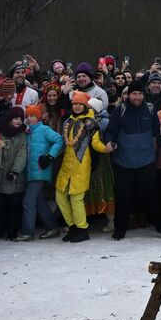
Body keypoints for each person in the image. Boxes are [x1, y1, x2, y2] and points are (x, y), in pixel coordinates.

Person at [104, 81, 161, 241]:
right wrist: (109, 141)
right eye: (134, 93)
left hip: (146, 160)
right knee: (123, 196)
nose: (137, 97)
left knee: (151, 195)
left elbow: (159, 135)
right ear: (128, 95)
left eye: (140, 94)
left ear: (144, 95)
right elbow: (110, 131)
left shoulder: (150, 110)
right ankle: (120, 228)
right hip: (123, 161)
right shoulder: (120, 110)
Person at [55, 91, 112, 242]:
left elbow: (95, 142)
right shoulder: (68, 121)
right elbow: (63, 142)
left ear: (85, 105)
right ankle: (72, 226)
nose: (77, 106)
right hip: (66, 165)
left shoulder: (91, 123)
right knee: (59, 196)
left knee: (76, 198)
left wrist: (105, 148)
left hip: (81, 165)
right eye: (75, 104)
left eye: (80, 104)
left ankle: (82, 229)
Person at [19, 104, 63, 240]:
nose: (29, 119)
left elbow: (59, 140)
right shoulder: (28, 132)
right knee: (39, 202)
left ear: (38, 117)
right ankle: (52, 227)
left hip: (40, 170)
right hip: (31, 172)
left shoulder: (44, 129)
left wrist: (50, 157)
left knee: (28, 202)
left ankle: (27, 232)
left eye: (32, 116)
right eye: (27, 116)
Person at [0, 105, 28, 240]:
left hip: (15, 177)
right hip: (0, 176)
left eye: (20, 119)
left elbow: (22, 154)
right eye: (15, 118)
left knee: (14, 206)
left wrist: (15, 171)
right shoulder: (0, 133)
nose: (18, 121)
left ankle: (12, 231)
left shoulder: (23, 135)